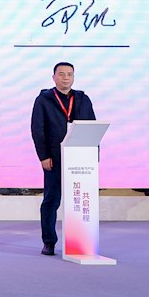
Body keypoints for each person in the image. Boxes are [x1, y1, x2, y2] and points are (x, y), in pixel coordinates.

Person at [31, 61, 96, 255]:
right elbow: (37, 130)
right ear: (54, 77)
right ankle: (49, 242)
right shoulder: (44, 99)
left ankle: (81, 241)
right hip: (54, 158)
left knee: (80, 200)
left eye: (69, 74)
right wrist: (44, 156)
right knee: (51, 200)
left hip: (80, 158)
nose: (66, 78)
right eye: (61, 74)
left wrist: (94, 155)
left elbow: (92, 127)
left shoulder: (83, 99)